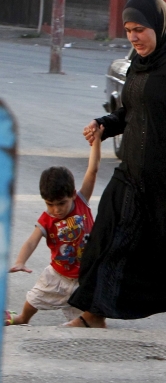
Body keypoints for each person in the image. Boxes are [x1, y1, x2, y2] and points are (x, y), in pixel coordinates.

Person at [70, 0, 166, 328]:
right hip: (135, 173)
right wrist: (104, 124)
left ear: (159, 25)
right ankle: (94, 312)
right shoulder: (139, 63)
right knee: (108, 237)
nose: (134, 37)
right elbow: (132, 111)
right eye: (128, 30)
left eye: (140, 28)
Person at [6, 131, 101, 326]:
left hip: (84, 278)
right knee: (34, 298)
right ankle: (22, 318)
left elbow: (92, 170)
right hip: (57, 274)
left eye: (61, 203)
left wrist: (96, 142)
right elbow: (32, 240)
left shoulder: (81, 201)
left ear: (73, 195)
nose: (56, 210)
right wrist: (20, 261)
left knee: (90, 322)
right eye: (50, 204)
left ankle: (82, 321)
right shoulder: (46, 219)